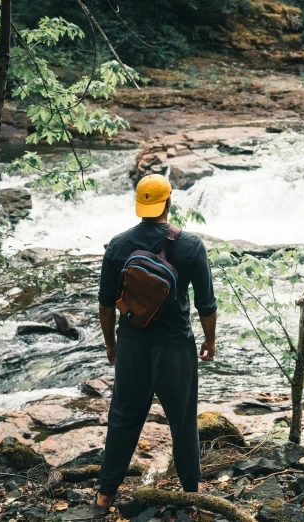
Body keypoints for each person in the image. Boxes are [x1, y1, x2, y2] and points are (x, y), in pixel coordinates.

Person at [95, 174, 217, 508]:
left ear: (140, 203)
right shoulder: (190, 246)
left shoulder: (118, 245)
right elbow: (206, 303)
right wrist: (210, 340)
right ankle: (191, 494)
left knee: (123, 417)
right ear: (168, 201)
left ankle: (105, 496)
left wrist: (111, 344)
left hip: (132, 343)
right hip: (176, 347)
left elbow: (106, 304)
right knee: (183, 421)